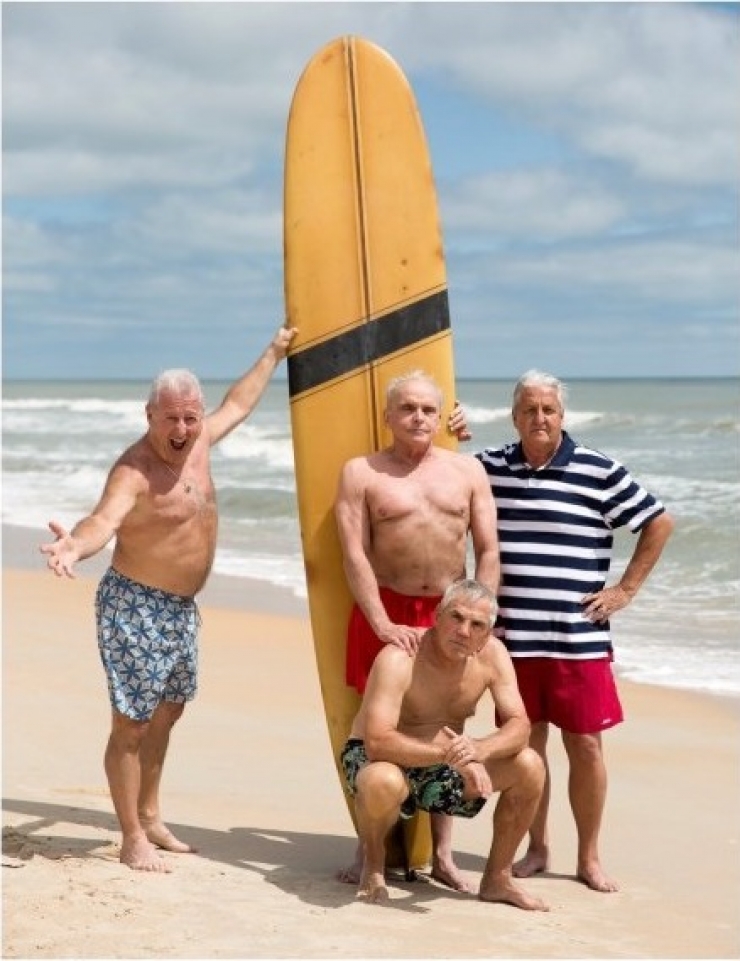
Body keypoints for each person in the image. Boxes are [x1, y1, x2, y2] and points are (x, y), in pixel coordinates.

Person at [40, 325, 297, 873]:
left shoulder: (200, 439)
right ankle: (132, 836)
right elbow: (100, 521)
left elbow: (239, 404)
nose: (182, 429)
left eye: (190, 417)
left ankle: (151, 813)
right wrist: (73, 547)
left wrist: (274, 353)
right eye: (171, 418)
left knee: (168, 712)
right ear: (149, 416)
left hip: (180, 608)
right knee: (131, 724)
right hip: (135, 605)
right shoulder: (134, 472)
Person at [469, 369, 675, 893]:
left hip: (576, 639)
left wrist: (624, 590)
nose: (540, 418)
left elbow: (657, 522)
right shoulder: (489, 467)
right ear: (514, 416)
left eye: (550, 410)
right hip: (511, 638)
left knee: (585, 745)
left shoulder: (597, 469)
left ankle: (589, 857)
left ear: (563, 415)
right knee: (526, 746)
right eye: (530, 410)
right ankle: (536, 848)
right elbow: (443, 479)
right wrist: (453, 429)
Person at [334, 370, 500, 892]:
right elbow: (354, 552)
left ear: (442, 415)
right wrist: (380, 620)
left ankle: (443, 854)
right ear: (388, 416)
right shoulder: (361, 472)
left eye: (429, 409)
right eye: (407, 408)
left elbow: (489, 547)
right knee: (374, 722)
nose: (418, 417)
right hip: (384, 607)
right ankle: (371, 847)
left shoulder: (467, 470)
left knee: (446, 715)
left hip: (450, 610)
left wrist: (483, 616)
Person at [342, 578, 547, 908]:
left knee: (530, 766)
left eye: (476, 624)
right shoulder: (400, 655)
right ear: (437, 616)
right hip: (379, 758)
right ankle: (373, 862)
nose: (464, 630)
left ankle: (497, 879)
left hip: (443, 764)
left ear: (487, 632)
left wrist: (480, 749)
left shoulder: (493, 655)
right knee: (382, 780)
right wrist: (451, 756)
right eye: (456, 617)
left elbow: (520, 725)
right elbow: (377, 742)